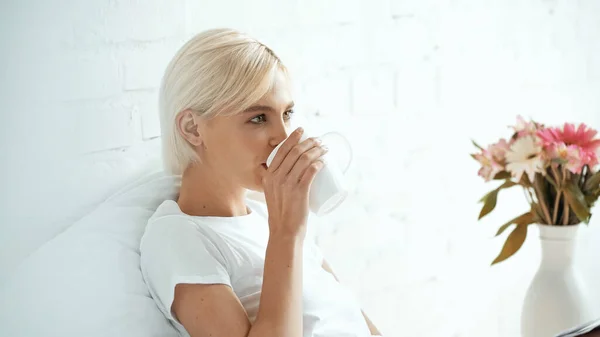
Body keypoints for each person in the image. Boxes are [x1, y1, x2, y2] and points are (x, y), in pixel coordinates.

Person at [139, 28, 383, 337]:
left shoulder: (268, 216)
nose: (283, 138)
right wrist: (287, 232)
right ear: (193, 128)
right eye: (258, 118)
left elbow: (354, 319)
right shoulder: (177, 236)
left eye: (287, 114)